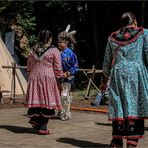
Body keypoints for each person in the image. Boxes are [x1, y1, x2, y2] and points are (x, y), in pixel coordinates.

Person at [103, 12, 148, 147]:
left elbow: (107, 61)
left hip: (117, 73)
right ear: (134, 21)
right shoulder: (143, 33)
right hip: (136, 73)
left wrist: (105, 77)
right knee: (135, 106)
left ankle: (116, 140)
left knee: (119, 106)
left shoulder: (112, 37)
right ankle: (131, 141)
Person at [25, 29, 63, 135]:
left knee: (37, 101)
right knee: (47, 102)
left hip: (34, 78)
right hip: (48, 78)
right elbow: (58, 67)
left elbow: (28, 67)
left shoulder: (32, 50)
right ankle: (43, 128)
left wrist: (32, 73)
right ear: (49, 38)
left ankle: (35, 121)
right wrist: (60, 78)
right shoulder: (53, 50)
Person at [56, 25, 79, 121]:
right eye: (58, 42)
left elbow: (76, 67)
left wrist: (68, 73)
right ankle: (60, 111)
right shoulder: (56, 52)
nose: (59, 43)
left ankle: (66, 113)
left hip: (67, 78)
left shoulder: (70, 53)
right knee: (58, 96)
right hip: (57, 78)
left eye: (61, 42)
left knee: (65, 96)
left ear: (66, 43)